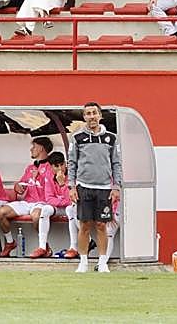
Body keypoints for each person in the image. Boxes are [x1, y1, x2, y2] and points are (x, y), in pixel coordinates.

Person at [67, 102, 122, 274]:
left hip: (104, 188)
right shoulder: (77, 138)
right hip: (84, 186)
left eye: (94, 113)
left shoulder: (111, 138)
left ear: (100, 115)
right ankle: (83, 262)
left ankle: (103, 262)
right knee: (84, 225)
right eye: (88, 113)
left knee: (101, 225)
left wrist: (116, 186)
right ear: (84, 117)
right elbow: (72, 163)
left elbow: (116, 163)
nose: (91, 116)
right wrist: (71, 186)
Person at [3, 137, 60, 258]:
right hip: (27, 202)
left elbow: (57, 187)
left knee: (36, 215)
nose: (31, 149)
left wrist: (40, 177)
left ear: (41, 148)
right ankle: (9, 242)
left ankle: (44, 247)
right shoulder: (30, 168)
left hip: (44, 203)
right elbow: (22, 184)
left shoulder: (52, 167)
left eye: (34, 146)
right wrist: (17, 186)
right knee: (0, 212)